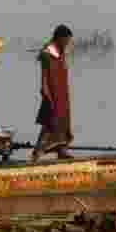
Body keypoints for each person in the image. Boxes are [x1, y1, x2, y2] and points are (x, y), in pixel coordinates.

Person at [32, 24, 75, 162]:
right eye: (66, 40)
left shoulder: (60, 51)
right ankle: (37, 153)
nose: (68, 43)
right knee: (50, 122)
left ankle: (62, 150)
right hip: (52, 93)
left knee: (64, 122)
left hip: (62, 93)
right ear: (59, 38)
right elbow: (44, 76)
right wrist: (45, 91)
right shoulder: (47, 52)